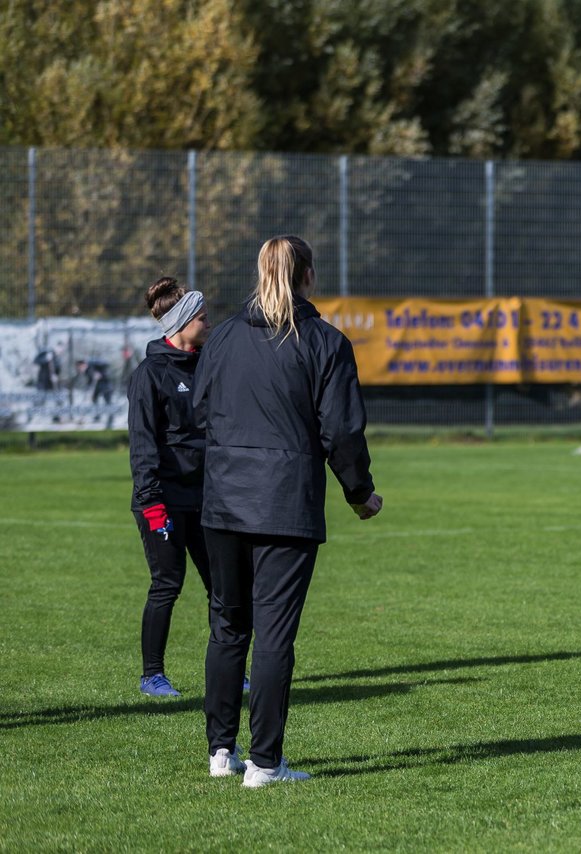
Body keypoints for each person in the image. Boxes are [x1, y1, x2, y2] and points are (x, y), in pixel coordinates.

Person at [194, 235, 382, 787]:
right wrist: (359, 493)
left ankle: (221, 754)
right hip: (283, 504)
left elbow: (201, 409)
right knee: (273, 634)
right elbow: (342, 431)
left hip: (223, 503)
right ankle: (265, 764)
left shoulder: (224, 337)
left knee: (228, 627)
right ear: (308, 276)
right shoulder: (324, 342)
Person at [128, 277, 213, 698]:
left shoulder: (207, 365)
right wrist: (151, 503)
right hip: (161, 500)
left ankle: (229, 668)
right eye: (201, 317)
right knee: (168, 583)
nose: (208, 322)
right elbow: (143, 445)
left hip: (206, 499)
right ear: (182, 323)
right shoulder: (150, 374)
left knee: (223, 585)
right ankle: (152, 676)